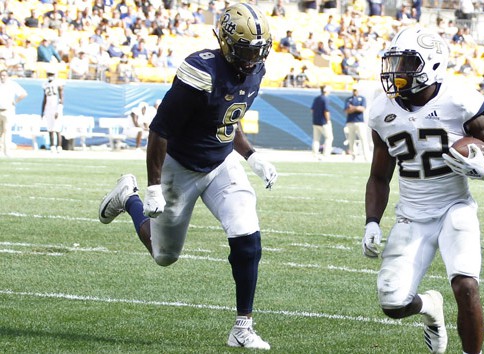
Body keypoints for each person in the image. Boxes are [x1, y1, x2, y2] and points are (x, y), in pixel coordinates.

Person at [97, 4, 277, 350]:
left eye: (258, 51)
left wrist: (252, 156)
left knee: (247, 236)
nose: (252, 60)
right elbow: (160, 130)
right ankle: (128, 197)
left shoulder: (255, 69)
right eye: (245, 51)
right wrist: (151, 188)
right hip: (180, 166)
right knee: (164, 255)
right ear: (225, 43)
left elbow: (226, 118)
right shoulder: (201, 70)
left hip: (221, 163)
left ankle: (242, 327)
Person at [363, 27, 484, 354]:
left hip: (453, 207)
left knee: (466, 284)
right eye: (394, 62)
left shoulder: (458, 100)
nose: (395, 72)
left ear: (431, 65)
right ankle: (431, 307)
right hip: (411, 216)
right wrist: (372, 221)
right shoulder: (380, 109)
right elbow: (378, 176)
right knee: (392, 303)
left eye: (406, 63)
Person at [0, 69, 28, 157]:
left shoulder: (12, 84)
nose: (2, 77)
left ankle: (6, 151)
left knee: (7, 130)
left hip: (8, 110)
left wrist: (15, 101)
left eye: (4, 75)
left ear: (7, 76)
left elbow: (23, 94)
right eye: (1, 75)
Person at [41, 69, 65, 153]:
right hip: (48, 108)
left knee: (57, 128)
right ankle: (52, 145)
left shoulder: (59, 83)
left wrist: (59, 109)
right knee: (50, 128)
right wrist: (42, 111)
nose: (50, 76)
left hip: (56, 107)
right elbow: (44, 98)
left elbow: (61, 97)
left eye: (51, 74)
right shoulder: (45, 84)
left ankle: (59, 146)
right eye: (49, 74)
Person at [344, 88, 370, 161]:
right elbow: (347, 110)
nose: (355, 91)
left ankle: (366, 156)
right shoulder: (348, 99)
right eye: (354, 90)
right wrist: (357, 108)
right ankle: (353, 156)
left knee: (363, 139)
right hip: (350, 122)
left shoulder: (362, 98)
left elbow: (362, 109)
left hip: (360, 122)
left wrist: (353, 108)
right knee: (351, 140)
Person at [311, 85, 334, 159]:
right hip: (323, 122)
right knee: (329, 138)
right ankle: (326, 154)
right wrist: (328, 120)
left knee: (316, 139)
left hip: (316, 121)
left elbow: (312, 110)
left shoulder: (317, 98)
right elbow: (326, 111)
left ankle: (314, 154)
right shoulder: (325, 99)